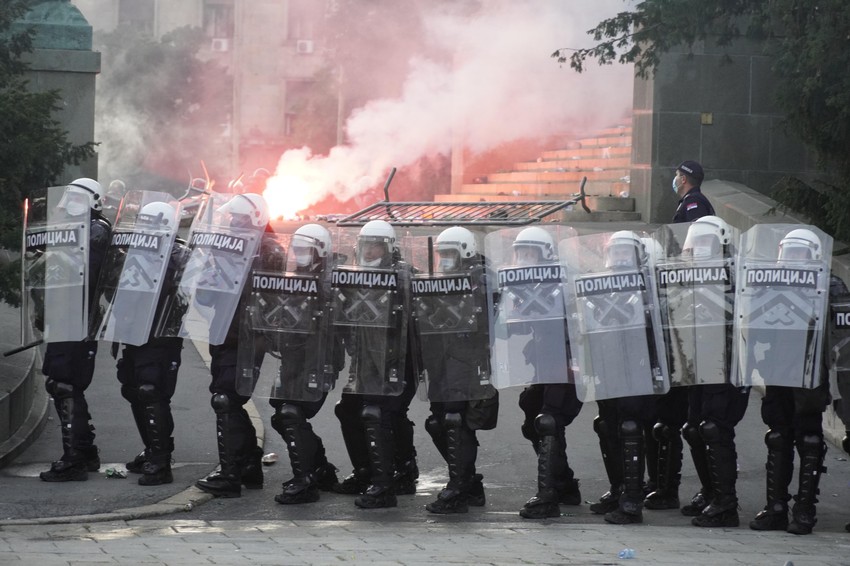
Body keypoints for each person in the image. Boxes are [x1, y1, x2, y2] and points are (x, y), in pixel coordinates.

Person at [664, 216, 750, 527]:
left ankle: (726, 503)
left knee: (715, 427)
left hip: (726, 363)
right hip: (697, 361)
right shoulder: (685, 276)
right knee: (693, 428)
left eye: (704, 243)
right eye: (694, 244)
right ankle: (712, 491)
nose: (697, 250)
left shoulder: (738, 274)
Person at [747, 228, 832, 535]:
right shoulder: (770, 284)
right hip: (778, 370)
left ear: (813, 256)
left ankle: (805, 509)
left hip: (809, 372)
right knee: (778, 437)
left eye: (801, 253)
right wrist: (753, 360)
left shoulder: (828, 284)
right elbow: (754, 322)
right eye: (790, 252)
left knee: (809, 439)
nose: (794, 259)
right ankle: (776, 507)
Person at [644, 160, 716, 511]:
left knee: (698, 424)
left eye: (676, 175)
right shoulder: (689, 203)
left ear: (683, 178)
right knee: (663, 421)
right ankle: (660, 483)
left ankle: (715, 493)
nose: (674, 180)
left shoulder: (695, 205)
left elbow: (688, 245)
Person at [333, 220, 419, 508]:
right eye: (365, 245)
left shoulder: (405, 275)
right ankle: (366, 471)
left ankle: (397, 475)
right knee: (348, 411)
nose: (369, 251)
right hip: (364, 360)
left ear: (389, 247)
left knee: (382, 414)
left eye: (376, 245)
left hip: (397, 359)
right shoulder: (351, 276)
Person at [195, 193, 271, 498]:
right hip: (224, 332)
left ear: (254, 219)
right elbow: (205, 297)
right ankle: (249, 466)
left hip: (249, 336)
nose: (233, 223)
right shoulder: (227, 249)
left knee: (226, 399)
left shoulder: (269, 251)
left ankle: (230, 474)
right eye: (232, 218)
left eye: (239, 218)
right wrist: (210, 269)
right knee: (226, 398)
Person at [417, 227, 498, 514]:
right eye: (441, 254)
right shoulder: (437, 278)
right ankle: (469, 484)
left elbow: (487, 318)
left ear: (464, 251)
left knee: (454, 419)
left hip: (470, 360)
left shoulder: (482, 277)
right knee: (438, 423)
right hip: (442, 359)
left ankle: (458, 489)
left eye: (449, 253)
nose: (444, 259)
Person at [505, 227, 583, 519]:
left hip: (567, 362)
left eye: (530, 253)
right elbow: (518, 326)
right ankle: (564, 485)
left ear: (546, 254)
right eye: (520, 253)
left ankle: (548, 496)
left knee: (548, 421)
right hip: (543, 364)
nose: (523, 259)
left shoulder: (562, 281)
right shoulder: (525, 285)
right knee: (533, 418)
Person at [37, 179, 112, 481]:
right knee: (60, 383)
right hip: (63, 314)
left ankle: (75, 460)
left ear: (94, 201)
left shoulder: (97, 229)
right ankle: (85, 451)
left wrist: (58, 253)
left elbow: (86, 272)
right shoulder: (67, 227)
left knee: (67, 384)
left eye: (78, 198)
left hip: (80, 317)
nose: (71, 202)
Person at [112, 201, 187, 485]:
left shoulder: (179, 254)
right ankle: (151, 449)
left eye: (150, 222)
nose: (144, 228)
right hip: (133, 331)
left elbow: (187, 291)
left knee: (151, 391)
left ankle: (161, 461)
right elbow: (111, 283)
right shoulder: (130, 251)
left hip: (161, 334)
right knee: (133, 390)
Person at [588, 230, 660, 525]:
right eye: (615, 252)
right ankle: (619, 490)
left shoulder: (648, 287)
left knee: (630, 425)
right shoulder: (598, 285)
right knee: (607, 425)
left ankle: (632, 500)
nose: (619, 258)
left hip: (636, 364)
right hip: (607, 365)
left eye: (625, 252)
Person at [267, 224, 341, 504]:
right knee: (281, 416)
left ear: (320, 250)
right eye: (296, 249)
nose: (299, 255)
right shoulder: (291, 277)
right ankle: (320, 469)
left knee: (291, 413)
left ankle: (305, 480)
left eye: (305, 250)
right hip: (292, 356)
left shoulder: (332, 279)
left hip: (319, 358)